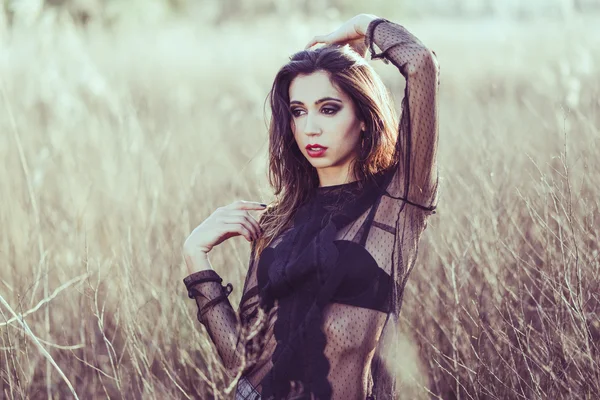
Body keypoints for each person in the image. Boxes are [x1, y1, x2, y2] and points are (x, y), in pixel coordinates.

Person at [182, 13, 440, 400]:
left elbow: (420, 64)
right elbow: (244, 363)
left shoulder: (399, 202)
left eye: (329, 108)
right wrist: (196, 258)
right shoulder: (278, 220)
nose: (310, 128)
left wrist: (361, 25)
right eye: (299, 111)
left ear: (365, 118)